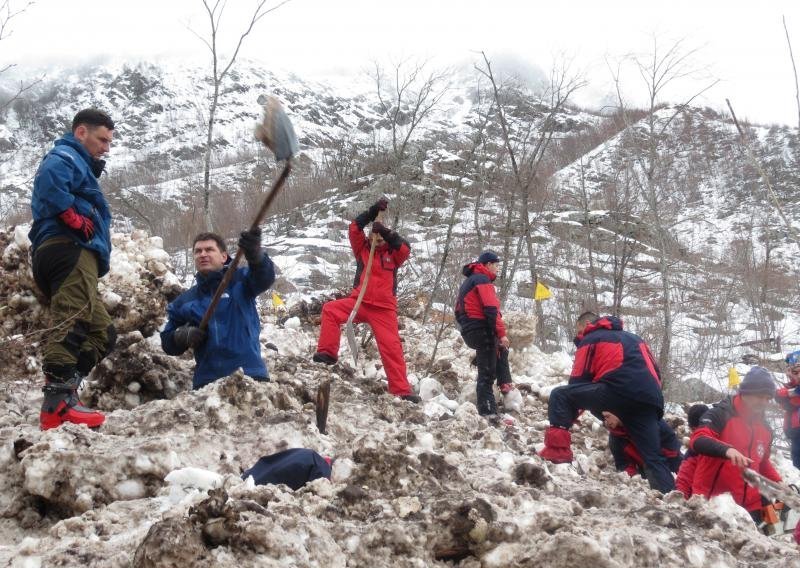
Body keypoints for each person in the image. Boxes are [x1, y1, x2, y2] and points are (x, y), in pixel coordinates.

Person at [29, 109, 116, 430]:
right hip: (69, 247)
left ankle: (68, 391)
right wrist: (71, 217)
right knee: (72, 317)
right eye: (102, 139)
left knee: (103, 333)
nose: (106, 148)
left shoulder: (80, 164)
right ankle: (57, 405)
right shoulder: (66, 154)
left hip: (74, 252)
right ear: (81, 132)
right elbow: (51, 178)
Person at [538, 311, 675, 493]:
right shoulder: (635, 339)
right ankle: (670, 498)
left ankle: (557, 457)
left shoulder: (591, 339)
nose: (579, 335)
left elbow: (578, 383)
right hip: (650, 398)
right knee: (652, 456)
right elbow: (655, 372)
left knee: (559, 395)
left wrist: (570, 415)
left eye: (579, 330)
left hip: (616, 390)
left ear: (587, 324)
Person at [312, 198, 418, 402]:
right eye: (374, 237)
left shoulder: (393, 255)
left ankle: (401, 389)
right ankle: (327, 353)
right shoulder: (362, 249)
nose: (377, 240)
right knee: (330, 310)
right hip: (358, 303)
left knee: (392, 347)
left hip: (383, 309)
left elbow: (405, 248)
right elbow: (354, 228)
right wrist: (371, 212)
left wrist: (386, 231)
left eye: (380, 238)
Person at [161, 229, 275, 389]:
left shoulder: (242, 281)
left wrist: (256, 255)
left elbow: (265, 277)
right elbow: (167, 342)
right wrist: (181, 337)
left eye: (209, 249)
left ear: (223, 257)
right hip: (207, 382)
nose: (202, 254)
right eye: (198, 251)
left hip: (250, 375)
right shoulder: (185, 301)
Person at [690, 367, 782, 521]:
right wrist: (727, 450)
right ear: (745, 392)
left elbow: (763, 463)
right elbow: (698, 440)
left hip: (752, 505)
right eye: (760, 396)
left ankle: (777, 531)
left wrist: (779, 482)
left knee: (773, 535)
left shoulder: (766, 429)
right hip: (716, 504)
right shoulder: (720, 414)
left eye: (768, 398)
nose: (764, 402)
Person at [454, 250, 513, 418]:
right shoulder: (482, 279)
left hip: (470, 329)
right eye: (496, 265)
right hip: (481, 329)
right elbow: (491, 310)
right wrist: (501, 333)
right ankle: (488, 411)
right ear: (488, 264)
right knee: (486, 375)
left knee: (500, 350)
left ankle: (504, 383)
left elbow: (458, 311)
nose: (497, 269)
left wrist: (468, 326)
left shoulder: (469, 281)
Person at [603, 411, 682, 479]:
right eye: (603, 418)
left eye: (607, 417)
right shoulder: (615, 439)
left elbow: (669, 440)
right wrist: (634, 479)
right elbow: (623, 464)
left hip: (670, 460)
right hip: (647, 469)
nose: (606, 422)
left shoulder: (644, 419)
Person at [675, 403, 709, 497]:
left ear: (692, 428)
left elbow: (683, 480)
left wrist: (680, 500)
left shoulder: (694, 451)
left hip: (702, 502)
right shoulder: (727, 446)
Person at [777, 351, 800, 469]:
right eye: (795, 372)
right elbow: (779, 397)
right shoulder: (791, 386)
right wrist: (792, 393)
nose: (798, 375)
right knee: (797, 461)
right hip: (794, 432)